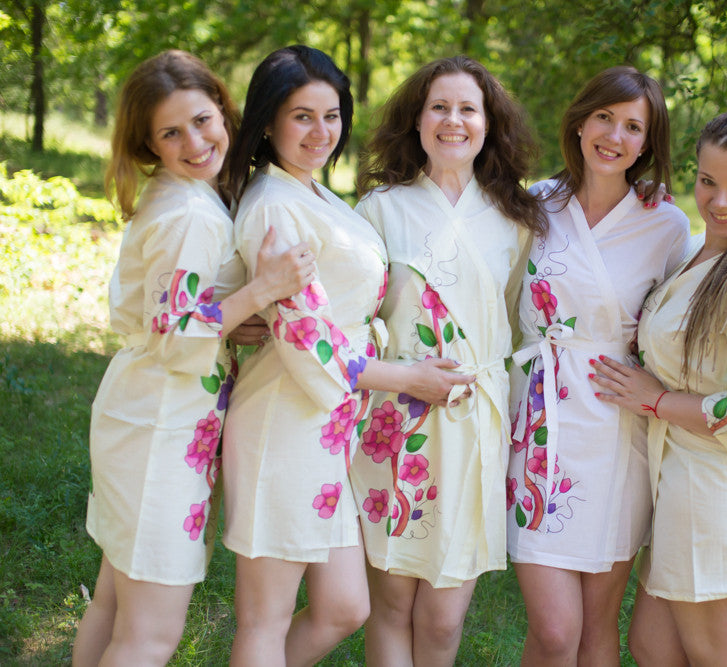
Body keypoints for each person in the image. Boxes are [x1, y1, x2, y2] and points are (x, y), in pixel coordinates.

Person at [220, 46, 470, 667]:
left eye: (331, 116)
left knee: (344, 609)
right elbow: (310, 341)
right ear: (269, 121)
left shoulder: (315, 194)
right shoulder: (275, 205)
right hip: (284, 418)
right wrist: (408, 377)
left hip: (330, 430)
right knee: (265, 618)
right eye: (301, 116)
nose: (320, 132)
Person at [72, 50, 315, 666]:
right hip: (162, 426)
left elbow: (169, 316)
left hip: (145, 413)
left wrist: (232, 317)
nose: (197, 141)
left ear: (224, 112)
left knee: (113, 605)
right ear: (149, 143)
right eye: (171, 133)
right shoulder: (191, 216)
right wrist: (261, 291)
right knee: (149, 635)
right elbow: (179, 331)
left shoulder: (178, 196)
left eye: (203, 120)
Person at [349, 55, 548, 666]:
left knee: (440, 618)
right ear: (416, 119)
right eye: (439, 106)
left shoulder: (516, 218)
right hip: (396, 418)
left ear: (489, 124)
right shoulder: (381, 209)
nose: (453, 121)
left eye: (468, 108)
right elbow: (352, 316)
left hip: (474, 420)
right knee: (392, 604)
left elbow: (521, 315)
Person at [590, 107, 727, 666]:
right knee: (653, 646)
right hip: (680, 480)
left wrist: (655, 400)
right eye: (708, 181)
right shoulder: (698, 253)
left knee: (716, 656)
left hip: (723, 489)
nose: (719, 200)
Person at [504, 66, 691, 666]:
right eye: (605, 118)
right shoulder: (534, 206)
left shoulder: (666, 224)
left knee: (595, 631)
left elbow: (684, 326)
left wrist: (656, 389)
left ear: (649, 142)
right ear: (581, 121)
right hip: (541, 424)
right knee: (556, 630)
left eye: (634, 126)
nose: (615, 136)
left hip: (620, 430)